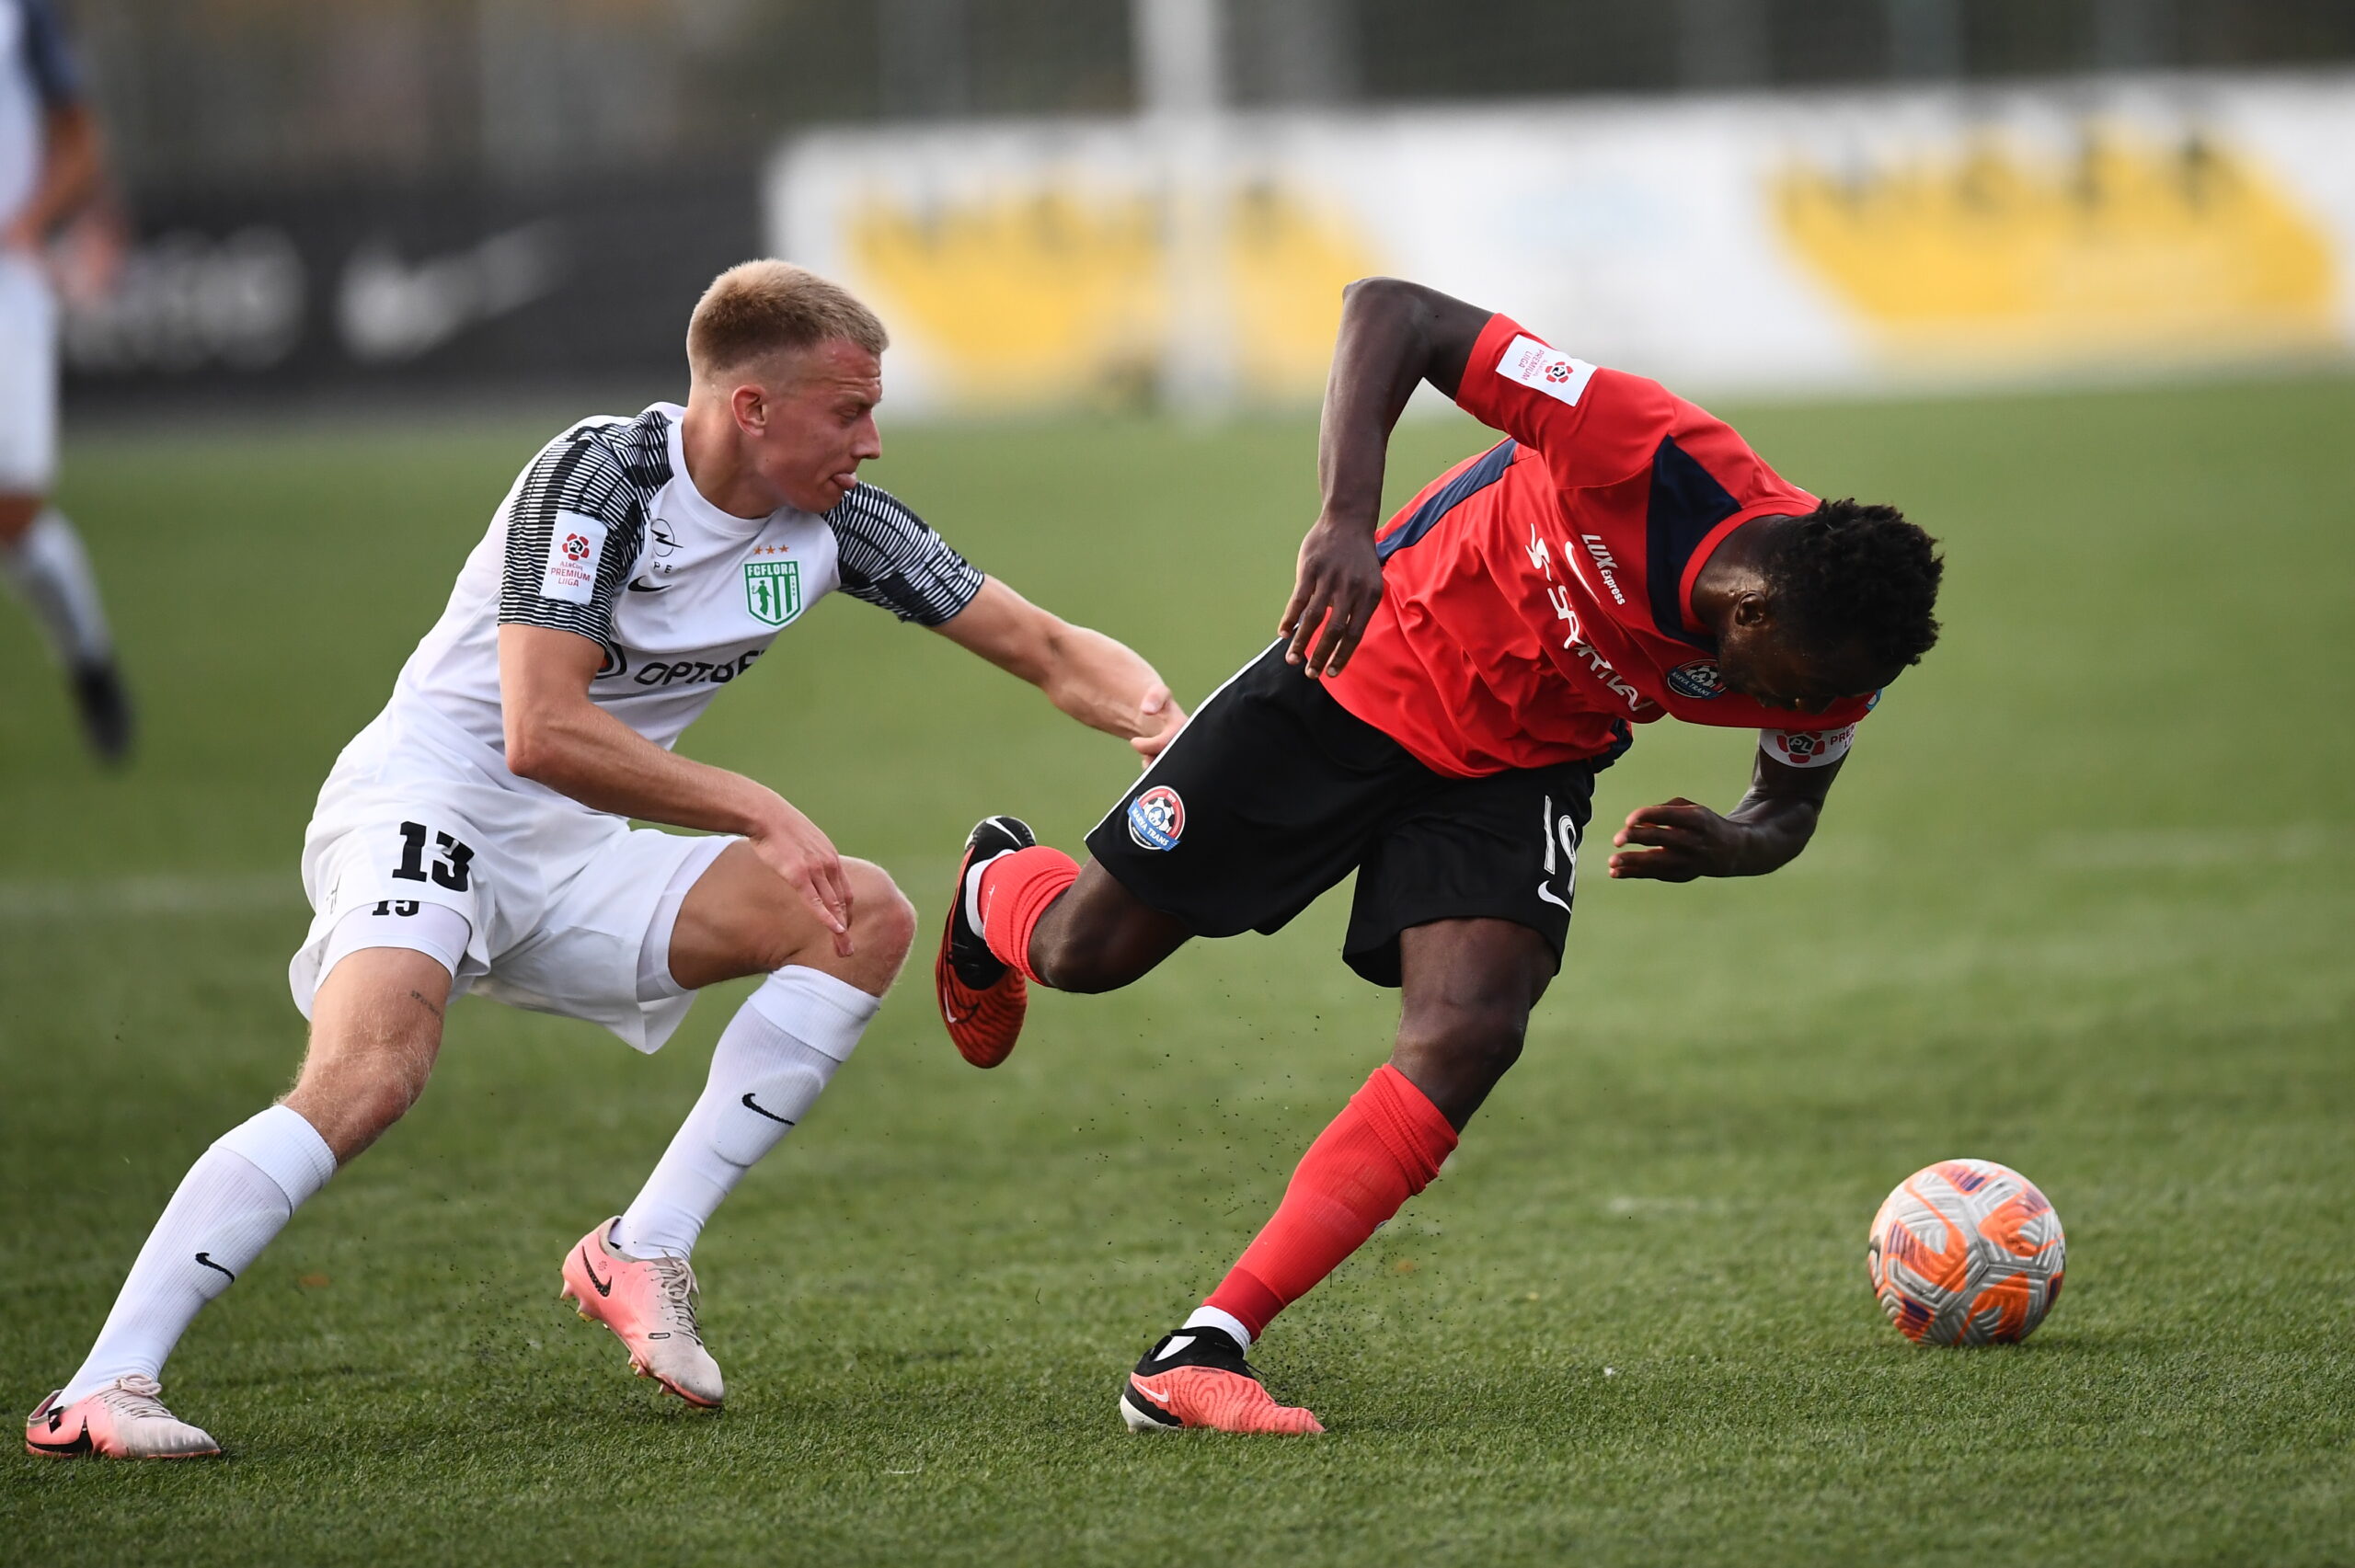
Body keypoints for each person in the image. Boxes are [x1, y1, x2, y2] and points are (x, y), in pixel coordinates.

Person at [26, 260, 1184, 1459]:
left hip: (574, 850)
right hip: (435, 800)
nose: (874, 440)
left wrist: (1169, 725)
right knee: (374, 1072)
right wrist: (749, 806)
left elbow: (1043, 645)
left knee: (860, 922)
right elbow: (541, 727)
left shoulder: (835, 522)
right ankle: (103, 1385)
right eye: (849, 410)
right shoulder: (601, 476)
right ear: (752, 408)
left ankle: (644, 1245)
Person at [934, 277, 1944, 1435]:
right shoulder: (1643, 451)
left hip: (1522, 763)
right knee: (1082, 953)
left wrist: (1739, 842)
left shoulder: (1836, 647)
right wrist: (1344, 524)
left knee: (1472, 1030)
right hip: (1357, 666)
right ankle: (990, 887)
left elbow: (1790, 803)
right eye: (1801, 684)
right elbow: (1392, 314)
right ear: (1751, 611)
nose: (1812, 706)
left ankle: (1204, 1344)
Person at [0, 0, 131, 761]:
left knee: (14, 511)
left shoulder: (23, 13)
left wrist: (27, 223)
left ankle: (89, 659)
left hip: (7, 285)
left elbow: (80, 139)